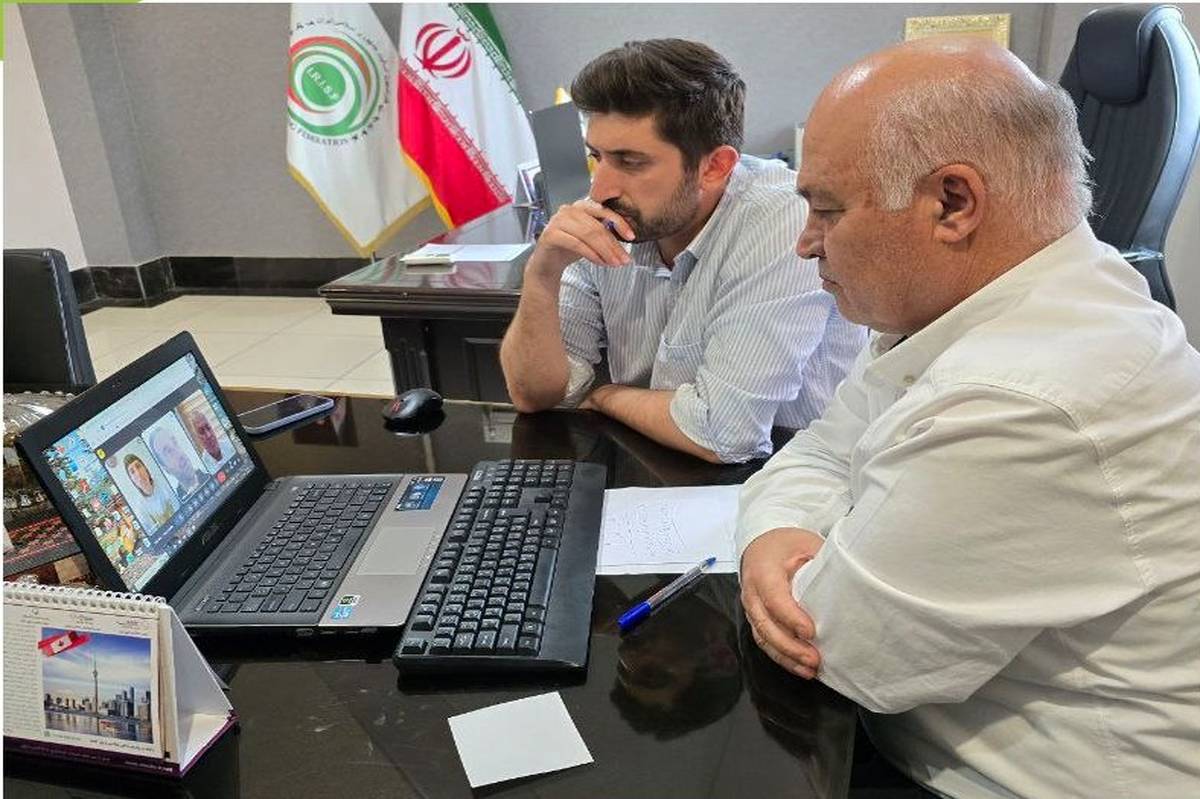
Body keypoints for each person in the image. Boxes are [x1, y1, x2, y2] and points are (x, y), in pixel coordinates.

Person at [736, 37, 1200, 798]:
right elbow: (821, 448)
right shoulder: (974, 307)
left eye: (828, 209)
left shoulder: (1026, 398)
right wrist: (774, 533)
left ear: (953, 203)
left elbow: (838, 647)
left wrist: (784, 539)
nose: (804, 243)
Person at [499, 39, 864, 464]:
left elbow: (725, 434)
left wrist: (603, 395)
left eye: (630, 162)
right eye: (597, 157)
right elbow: (536, 395)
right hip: (660, 460)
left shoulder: (783, 220)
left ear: (714, 167)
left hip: (796, 474)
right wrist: (542, 274)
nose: (600, 189)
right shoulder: (610, 217)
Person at [148, 425, 208, 498]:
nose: (179, 453)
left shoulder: (211, 475)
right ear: (166, 469)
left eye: (175, 443)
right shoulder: (177, 501)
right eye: (169, 451)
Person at [122, 453, 177, 530]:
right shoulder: (140, 508)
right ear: (132, 479)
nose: (138, 474)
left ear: (145, 468)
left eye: (138, 466)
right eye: (132, 472)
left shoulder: (163, 482)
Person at [183, 407, 230, 473]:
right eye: (201, 432)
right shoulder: (204, 470)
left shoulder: (230, 445)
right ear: (197, 438)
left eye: (208, 427)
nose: (209, 435)